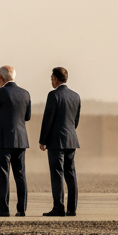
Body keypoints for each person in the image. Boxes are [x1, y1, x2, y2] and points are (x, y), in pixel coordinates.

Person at [0, 65, 31, 216]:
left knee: (3, 175)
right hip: (20, 139)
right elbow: (27, 117)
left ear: (1, 78)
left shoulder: (0, 92)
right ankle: (22, 209)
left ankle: (4, 208)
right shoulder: (25, 93)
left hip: (3, 140)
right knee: (20, 174)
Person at [39, 66, 81, 216]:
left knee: (57, 174)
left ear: (55, 79)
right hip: (71, 140)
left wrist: (43, 140)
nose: (51, 81)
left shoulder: (53, 95)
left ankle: (58, 207)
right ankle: (72, 209)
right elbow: (75, 121)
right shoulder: (75, 96)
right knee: (71, 173)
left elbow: (48, 119)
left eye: (52, 78)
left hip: (56, 141)